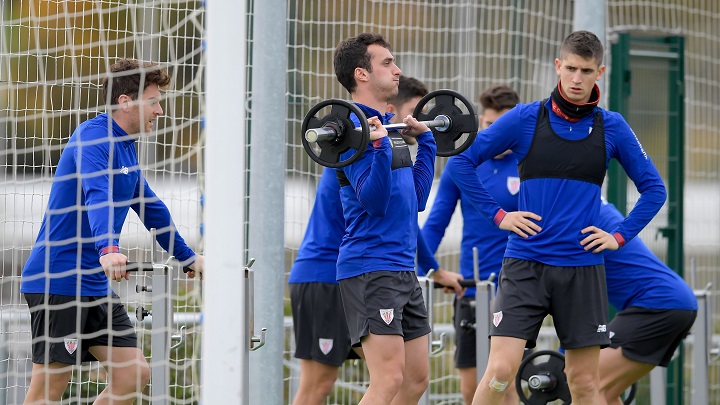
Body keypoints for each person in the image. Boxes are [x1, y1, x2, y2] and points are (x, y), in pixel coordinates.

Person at [444, 30, 666, 405]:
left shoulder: (612, 127)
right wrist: (500, 216)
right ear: (558, 66)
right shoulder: (524, 118)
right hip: (525, 265)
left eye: (587, 71)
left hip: (583, 269)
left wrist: (619, 236)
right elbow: (462, 162)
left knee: (582, 383)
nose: (577, 79)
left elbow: (655, 189)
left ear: (601, 72)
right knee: (500, 372)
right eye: (572, 69)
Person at [20, 59, 204, 405]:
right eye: (153, 100)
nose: (160, 110)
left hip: (92, 284)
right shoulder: (93, 136)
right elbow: (97, 194)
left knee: (133, 375)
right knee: (48, 390)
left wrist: (188, 257)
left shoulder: (126, 148)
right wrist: (108, 248)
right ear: (125, 102)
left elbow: (153, 209)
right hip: (57, 279)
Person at [288, 75, 461, 405]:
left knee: (411, 379)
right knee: (321, 385)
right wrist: (435, 270)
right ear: (393, 112)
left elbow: (408, 214)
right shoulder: (354, 147)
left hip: (386, 269)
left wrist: (434, 270)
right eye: (413, 114)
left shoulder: (393, 150)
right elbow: (377, 204)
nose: (419, 122)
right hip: (326, 273)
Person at [332, 32, 438, 405]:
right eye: (387, 63)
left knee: (415, 380)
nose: (398, 70)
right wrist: (375, 144)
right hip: (370, 266)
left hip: (401, 268)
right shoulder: (350, 130)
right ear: (362, 74)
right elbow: (374, 202)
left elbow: (416, 199)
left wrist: (426, 143)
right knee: (389, 379)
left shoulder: (388, 130)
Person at [421, 85, 520, 405]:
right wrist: (424, 267)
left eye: (505, 126)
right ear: (481, 122)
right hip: (472, 290)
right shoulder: (462, 164)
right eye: (492, 126)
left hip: (519, 289)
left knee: (506, 384)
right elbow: (435, 224)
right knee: (471, 389)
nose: (498, 134)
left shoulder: (529, 164)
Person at [596, 200, 697, 405]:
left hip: (657, 304)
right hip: (674, 303)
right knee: (603, 392)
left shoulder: (577, 215)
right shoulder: (591, 204)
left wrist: (567, 353)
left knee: (587, 383)